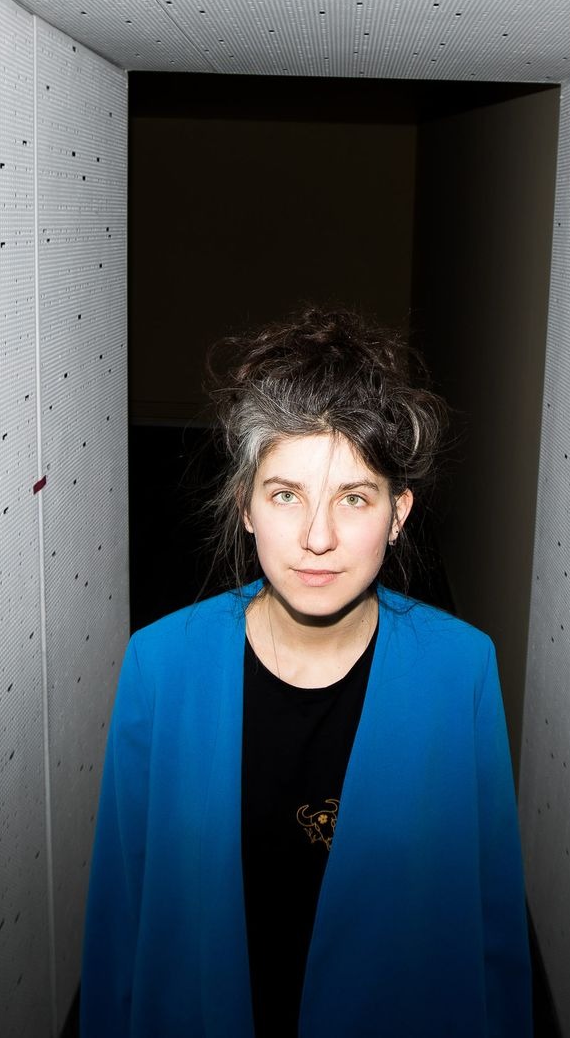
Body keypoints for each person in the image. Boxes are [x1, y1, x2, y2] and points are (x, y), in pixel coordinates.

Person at [80, 307, 532, 1037]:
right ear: (247, 507)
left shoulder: (462, 670)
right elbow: (118, 914)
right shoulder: (159, 666)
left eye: (354, 498)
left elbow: (493, 921)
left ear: (398, 514)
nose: (317, 538)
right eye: (285, 494)